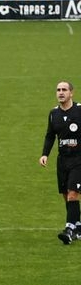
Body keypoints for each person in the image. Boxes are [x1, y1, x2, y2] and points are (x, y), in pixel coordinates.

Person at [39, 81, 81, 244]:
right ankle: (77, 226)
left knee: (72, 193)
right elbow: (50, 135)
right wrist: (45, 154)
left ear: (72, 93)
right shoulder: (53, 114)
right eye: (58, 90)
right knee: (66, 196)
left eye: (64, 90)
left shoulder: (79, 110)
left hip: (79, 159)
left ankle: (69, 229)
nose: (61, 92)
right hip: (62, 160)